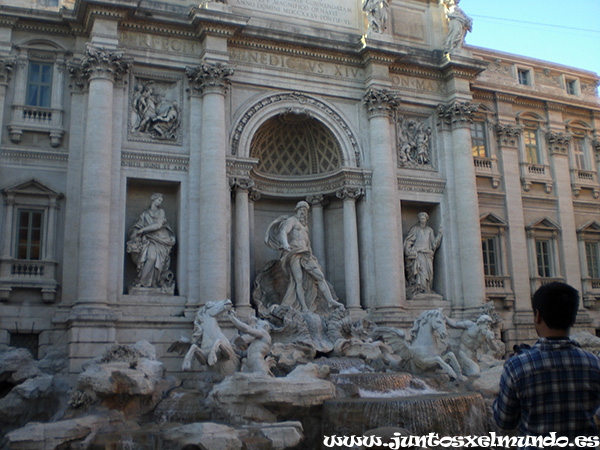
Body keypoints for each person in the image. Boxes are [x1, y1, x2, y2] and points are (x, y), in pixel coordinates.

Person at [493, 282, 600, 447]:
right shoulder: (593, 363)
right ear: (573, 317)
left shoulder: (517, 366)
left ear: (538, 316)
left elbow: (504, 421)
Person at [265, 201, 343, 313]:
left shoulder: (304, 226)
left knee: (320, 276)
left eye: (305, 211)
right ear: (297, 210)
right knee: (298, 280)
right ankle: (304, 307)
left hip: (306, 253)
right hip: (294, 252)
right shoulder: (292, 220)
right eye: (301, 210)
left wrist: (311, 254)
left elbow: (307, 243)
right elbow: (283, 232)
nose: (303, 213)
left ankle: (330, 300)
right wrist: (286, 245)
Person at [126, 193, 176, 289]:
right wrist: (136, 233)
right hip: (149, 240)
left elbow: (158, 225)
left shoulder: (161, 212)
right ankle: (143, 282)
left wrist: (143, 230)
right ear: (153, 199)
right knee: (150, 257)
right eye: (158, 200)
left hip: (161, 239)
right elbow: (137, 227)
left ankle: (150, 282)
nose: (159, 202)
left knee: (153, 259)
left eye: (161, 201)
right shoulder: (144, 214)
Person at [403, 212, 442, 298]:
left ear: (426, 219)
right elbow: (409, 241)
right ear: (419, 219)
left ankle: (427, 289)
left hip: (427, 254)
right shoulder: (415, 229)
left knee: (428, 273)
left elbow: (433, 244)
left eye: (424, 218)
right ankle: (420, 289)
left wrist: (439, 235)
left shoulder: (430, 230)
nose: (422, 219)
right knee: (421, 272)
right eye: (421, 218)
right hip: (419, 253)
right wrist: (408, 250)